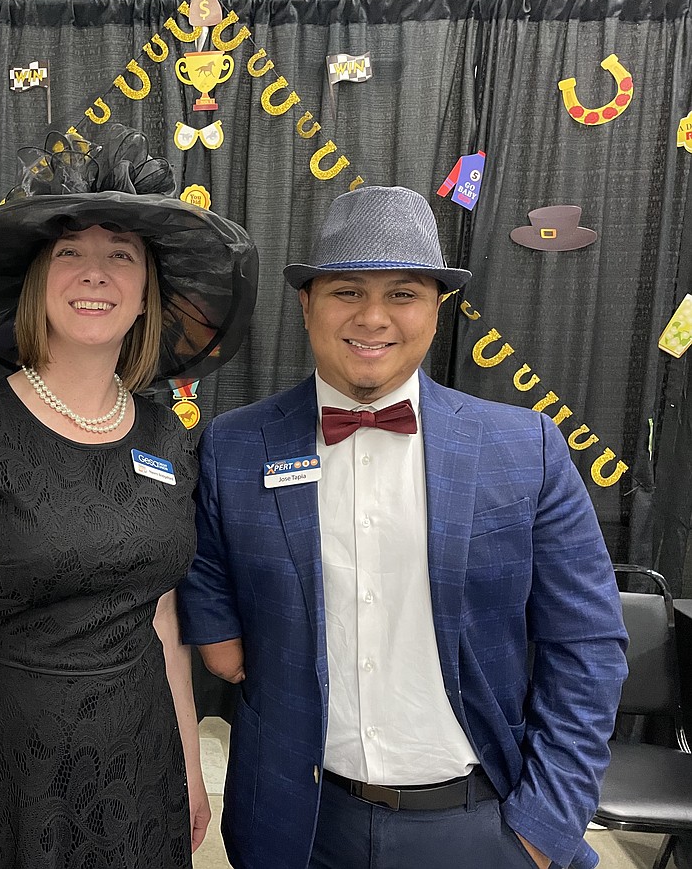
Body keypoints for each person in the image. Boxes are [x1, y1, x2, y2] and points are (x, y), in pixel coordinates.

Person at [178, 185, 629, 869]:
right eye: (347, 291)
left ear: (438, 309)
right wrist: (217, 632)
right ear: (306, 304)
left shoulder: (524, 446)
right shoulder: (234, 445)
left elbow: (589, 645)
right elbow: (203, 564)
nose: (374, 317)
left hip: (481, 828)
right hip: (296, 828)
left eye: (404, 293)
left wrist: (544, 824)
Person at [0, 125, 258, 869]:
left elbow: (162, 615)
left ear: (145, 298)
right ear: (38, 282)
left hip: (141, 759)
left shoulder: (168, 437)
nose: (95, 275)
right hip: (12, 770)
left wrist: (191, 763)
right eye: (71, 254)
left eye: (120, 257)